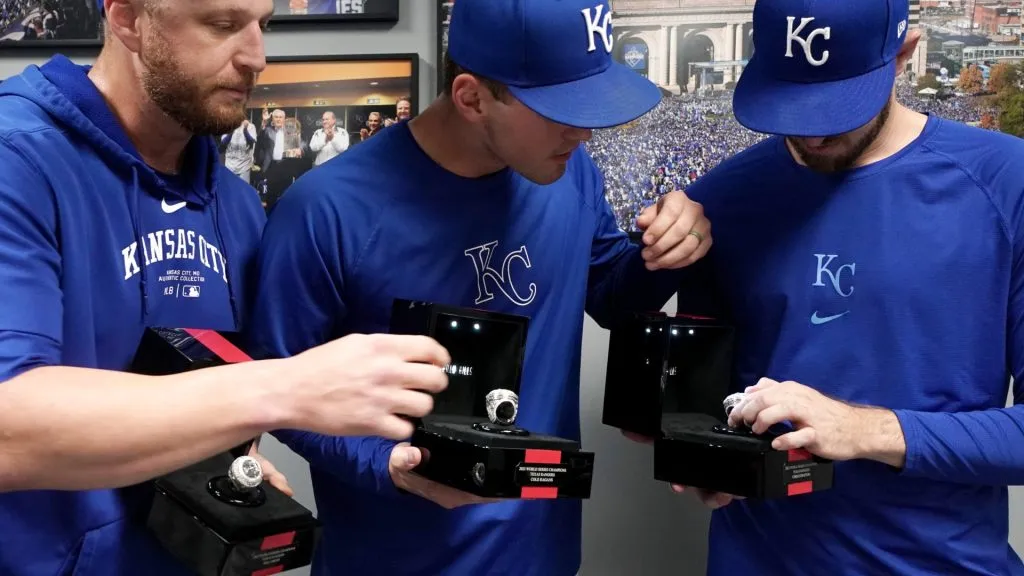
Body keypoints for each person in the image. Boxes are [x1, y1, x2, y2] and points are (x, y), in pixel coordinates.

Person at [245, 0, 713, 574]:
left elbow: (612, 299)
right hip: (391, 558)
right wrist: (387, 463)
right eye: (558, 109)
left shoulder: (569, 170)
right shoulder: (327, 211)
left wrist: (669, 247)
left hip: (542, 554)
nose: (584, 130)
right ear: (471, 98)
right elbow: (275, 391)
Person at [0, 1, 448, 575]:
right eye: (223, 24)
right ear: (127, 18)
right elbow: (11, 427)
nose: (257, 57)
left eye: (265, 25)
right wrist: (283, 386)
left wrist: (226, 462)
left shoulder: (235, 206)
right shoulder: (19, 159)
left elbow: (204, 388)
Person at [654, 0, 1024, 574]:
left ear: (904, 54)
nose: (810, 131)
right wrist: (704, 457)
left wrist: (863, 430)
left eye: (836, 105)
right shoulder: (723, 197)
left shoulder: (1006, 183)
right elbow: (704, 399)